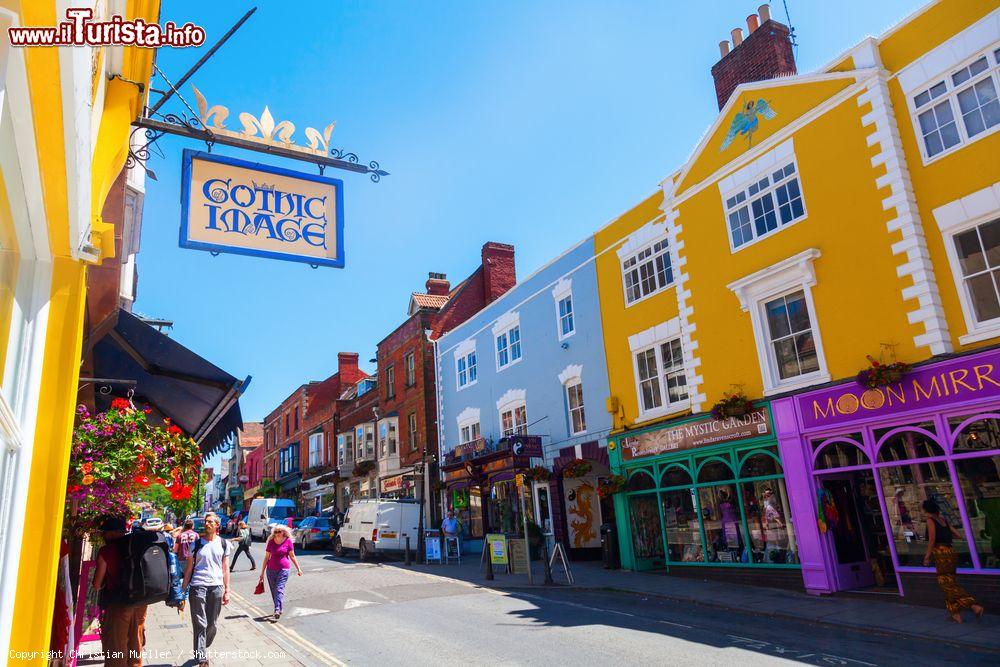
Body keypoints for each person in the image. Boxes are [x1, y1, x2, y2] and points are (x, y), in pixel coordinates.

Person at [92, 516, 146, 667]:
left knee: (116, 647)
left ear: (113, 533)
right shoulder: (135, 546)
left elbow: (96, 584)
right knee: (135, 644)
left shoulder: (106, 551)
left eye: (106, 532)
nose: (104, 536)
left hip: (118, 604)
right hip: (139, 603)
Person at [922, 499, 985, 623]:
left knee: (945, 583)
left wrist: (927, 556)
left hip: (941, 553)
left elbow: (932, 539)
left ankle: (974, 606)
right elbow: (958, 535)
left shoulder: (930, 520)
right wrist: (946, 535)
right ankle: (955, 614)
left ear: (926, 510)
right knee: (949, 581)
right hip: (951, 552)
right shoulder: (943, 521)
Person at [182, 512, 231, 666]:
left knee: (212, 624)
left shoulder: (224, 544)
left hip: (216, 586)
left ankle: (202, 645)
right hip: (198, 586)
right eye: (206, 521)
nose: (207, 524)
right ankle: (201, 655)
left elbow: (225, 568)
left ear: (217, 525)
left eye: (210, 522)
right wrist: (182, 592)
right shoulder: (195, 544)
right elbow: (189, 569)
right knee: (200, 623)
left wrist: (227, 590)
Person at [258, 524, 301, 620]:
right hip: (270, 570)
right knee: (274, 590)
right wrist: (262, 573)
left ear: (284, 532)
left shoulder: (288, 541)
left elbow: (292, 556)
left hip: (284, 569)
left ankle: (276, 609)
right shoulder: (271, 542)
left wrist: (298, 568)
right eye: (275, 532)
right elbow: (266, 557)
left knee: (278, 588)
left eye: (279, 532)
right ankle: (279, 607)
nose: (277, 533)